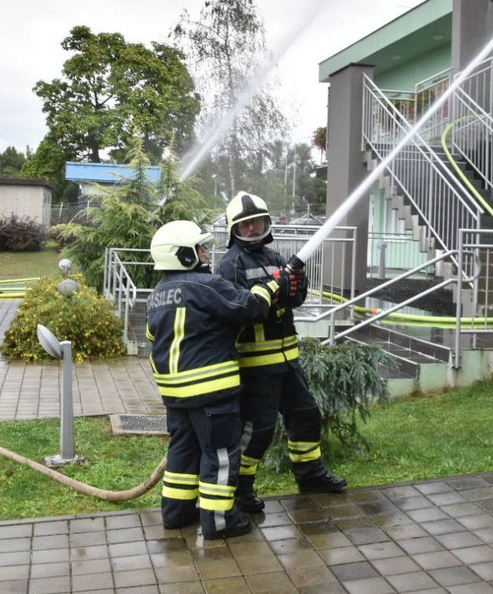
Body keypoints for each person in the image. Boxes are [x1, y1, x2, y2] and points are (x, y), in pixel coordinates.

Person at [146, 220, 290, 539]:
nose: (203, 252)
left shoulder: (157, 295)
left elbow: (152, 335)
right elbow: (251, 308)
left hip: (174, 394)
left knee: (184, 451)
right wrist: (272, 284)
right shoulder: (207, 284)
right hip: (212, 391)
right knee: (221, 455)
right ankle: (219, 521)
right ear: (184, 255)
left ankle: (176, 513)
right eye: (198, 248)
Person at [217, 191, 348, 514]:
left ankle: (310, 475)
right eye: (245, 225)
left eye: (256, 223)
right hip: (257, 365)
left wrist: (295, 288)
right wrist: (274, 295)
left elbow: (294, 300)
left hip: (288, 359)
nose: (251, 229)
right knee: (258, 431)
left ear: (266, 223)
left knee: (306, 416)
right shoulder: (229, 266)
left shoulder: (275, 258)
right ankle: (241, 489)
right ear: (234, 228)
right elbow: (240, 310)